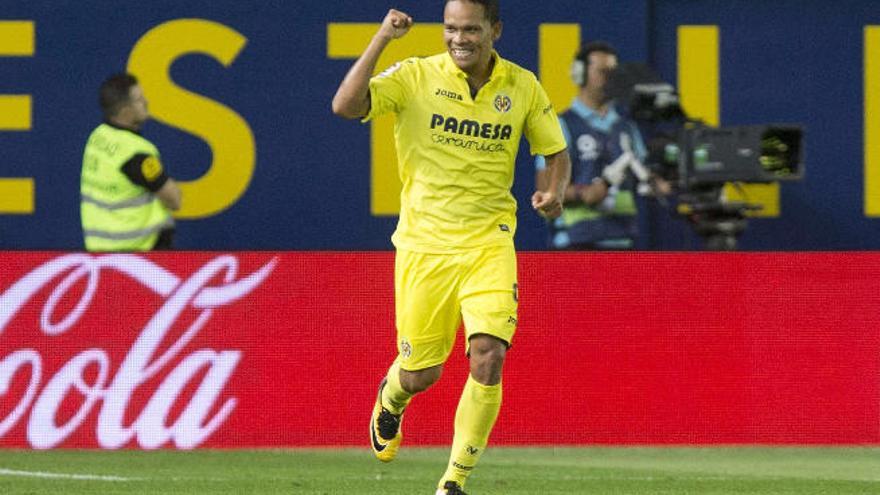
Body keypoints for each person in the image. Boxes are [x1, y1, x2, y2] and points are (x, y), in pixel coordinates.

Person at [332, 2, 570, 494]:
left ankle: (453, 481)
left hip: (490, 240)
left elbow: (555, 151)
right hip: (425, 245)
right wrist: (381, 39)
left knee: (488, 354)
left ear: (494, 31)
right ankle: (393, 397)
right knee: (422, 374)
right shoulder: (416, 75)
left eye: (471, 29)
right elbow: (346, 106)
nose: (459, 39)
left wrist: (555, 190)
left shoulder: (522, 85)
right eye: (451, 29)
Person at [536, 41, 667, 250]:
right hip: (576, 243)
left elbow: (645, 173)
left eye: (613, 73)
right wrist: (583, 193)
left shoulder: (627, 127)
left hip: (623, 241)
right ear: (580, 74)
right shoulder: (563, 125)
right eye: (602, 72)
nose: (609, 79)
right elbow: (544, 189)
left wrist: (661, 184)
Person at [80, 73, 182, 251]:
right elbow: (174, 200)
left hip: (100, 252)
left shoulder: (98, 136)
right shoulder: (136, 154)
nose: (146, 102)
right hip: (141, 253)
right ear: (125, 110)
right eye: (139, 99)